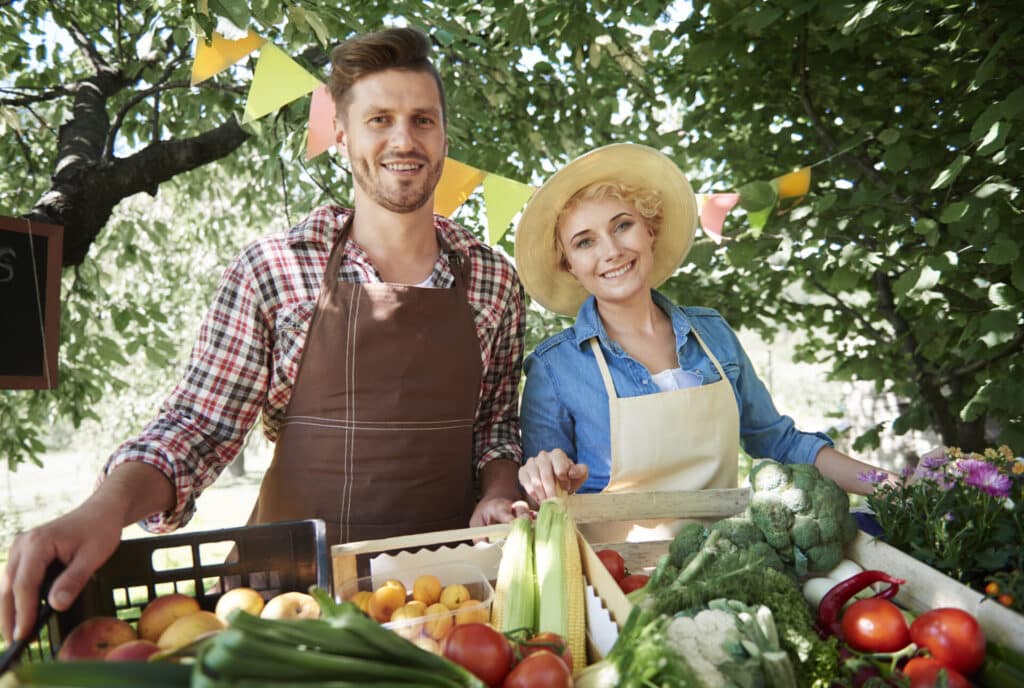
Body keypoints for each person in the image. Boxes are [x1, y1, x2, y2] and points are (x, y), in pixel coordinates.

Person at [1, 27, 528, 643]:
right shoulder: (275, 268)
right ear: (341, 134)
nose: (403, 140)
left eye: (423, 120)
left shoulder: (494, 278)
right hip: (287, 601)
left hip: (445, 603)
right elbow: (199, 425)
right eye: (379, 119)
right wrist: (104, 509)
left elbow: (494, 426)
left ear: (444, 134)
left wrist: (498, 491)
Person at [512, 143, 896, 538]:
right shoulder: (554, 367)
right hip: (615, 577)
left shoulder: (711, 334)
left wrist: (891, 486)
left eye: (622, 225)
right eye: (584, 242)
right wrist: (546, 478)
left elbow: (782, 443)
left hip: (727, 564)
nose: (611, 251)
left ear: (650, 230)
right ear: (570, 266)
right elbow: (546, 503)